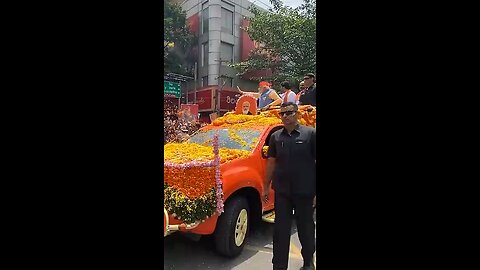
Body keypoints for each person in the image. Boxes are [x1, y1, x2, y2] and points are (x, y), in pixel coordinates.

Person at [263, 102, 316, 270]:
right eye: (282, 114)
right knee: (280, 231)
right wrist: (265, 186)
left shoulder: (311, 134)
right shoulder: (276, 137)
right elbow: (271, 162)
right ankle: (279, 266)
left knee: (306, 228)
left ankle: (308, 262)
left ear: (297, 114)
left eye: (289, 113)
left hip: (305, 191)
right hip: (283, 192)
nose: (285, 116)